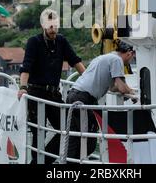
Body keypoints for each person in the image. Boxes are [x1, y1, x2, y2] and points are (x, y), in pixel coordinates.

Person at [17, 9, 85, 164]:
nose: (53, 29)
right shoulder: (34, 42)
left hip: (53, 94)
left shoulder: (61, 41)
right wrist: (22, 87)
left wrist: (88, 79)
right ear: (43, 25)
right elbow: (26, 67)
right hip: (36, 93)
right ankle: (38, 161)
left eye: (55, 25)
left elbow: (75, 61)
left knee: (69, 129)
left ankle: (43, 160)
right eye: (50, 26)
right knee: (38, 132)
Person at [65, 41, 136, 161]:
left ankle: (68, 166)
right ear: (129, 53)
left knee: (74, 137)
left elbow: (113, 87)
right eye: (133, 57)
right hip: (83, 99)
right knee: (90, 139)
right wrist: (133, 93)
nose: (131, 61)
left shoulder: (105, 57)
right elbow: (121, 87)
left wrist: (126, 89)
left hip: (73, 95)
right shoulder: (117, 60)